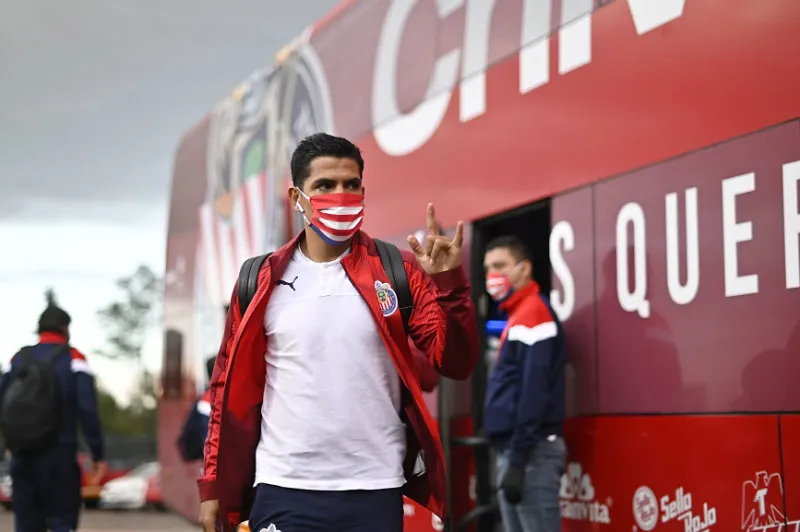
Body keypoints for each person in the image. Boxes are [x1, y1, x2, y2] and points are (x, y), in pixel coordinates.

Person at [198, 132, 479, 532]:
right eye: (325, 186)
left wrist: (450, 286)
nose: (340, 195)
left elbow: (455, 362)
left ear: (363, 190)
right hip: (284, 487)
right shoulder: (259, 279)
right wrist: (212, 487)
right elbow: (224, 386)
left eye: (351, 185)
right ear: (298, 198)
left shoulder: (396, 270)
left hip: (374, 488)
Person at [482, 235, 566, 532]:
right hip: (518, 451)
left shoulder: (533, 314)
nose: (493, 275)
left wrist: (518, 460)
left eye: (500, 265)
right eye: (488, 268)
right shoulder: (517, 315)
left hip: (531, 454)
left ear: (524, 268)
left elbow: (534, 392)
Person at [0, 301, 106, 532]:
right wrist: (97, 453)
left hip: (22, 456)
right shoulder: (74, 358)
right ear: (65, 328)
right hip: (59, 454)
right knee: (62, 522)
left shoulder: (17, 359)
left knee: (26, 525)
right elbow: (87, 409)